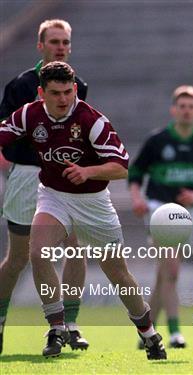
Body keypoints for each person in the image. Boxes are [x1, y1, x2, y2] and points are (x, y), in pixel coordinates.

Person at [0, 61, 167, 359]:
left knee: (117, 273)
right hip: (53, 196)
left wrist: (88, 172)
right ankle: (57, 327)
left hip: (93, 204)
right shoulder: (30, 114)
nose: (63, 99)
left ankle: (149, 332)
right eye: (55, 93)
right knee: (37, 253)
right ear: (41, 93)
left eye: (68, 92)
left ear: (75, 89)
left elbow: (121, 167)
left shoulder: (93, 120)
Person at [0, 19, 89, 355]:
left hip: (64, 177)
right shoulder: (21, 85)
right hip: (27, 176)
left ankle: (68, 325)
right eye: (54, 42)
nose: (61, 47)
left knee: (76, 248)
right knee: (19, 258)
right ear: (41, 46)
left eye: (65, 42)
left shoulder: (78, 85)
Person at [129, 85, 193, 348]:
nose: (187, 111)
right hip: (159, 209)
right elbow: (136, 173)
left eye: (191, 107)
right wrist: (137, 198)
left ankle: (148, 332)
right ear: (173, 110)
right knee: (172, 269)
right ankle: (174, 333)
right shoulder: (157, 140)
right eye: (182, 106)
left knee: (164, 274)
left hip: (188, 212)